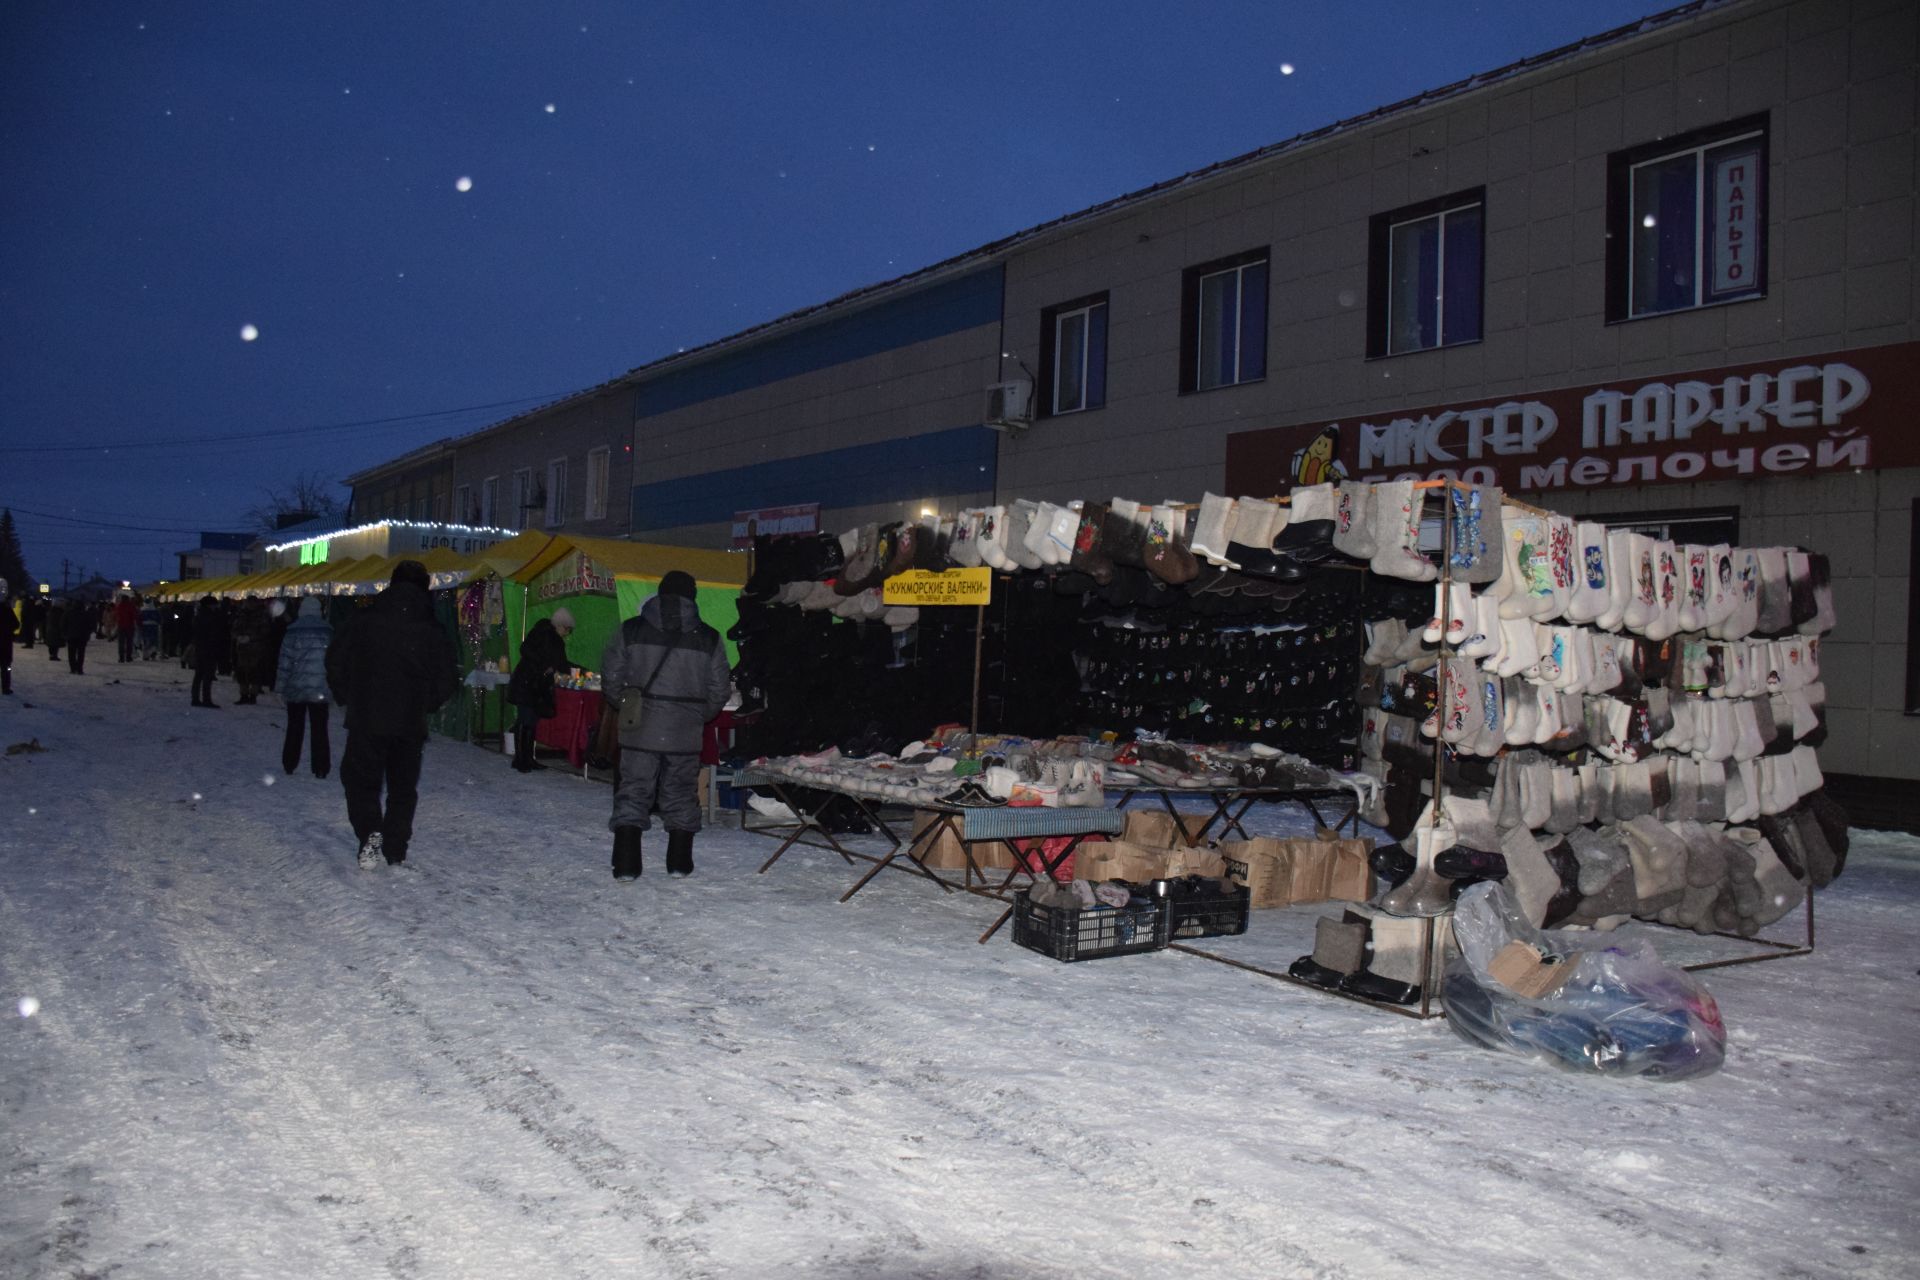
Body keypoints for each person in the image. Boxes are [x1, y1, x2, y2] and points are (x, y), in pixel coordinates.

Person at [326, 560, 458, 871]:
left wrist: (348, 695)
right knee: (402, 786)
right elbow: (447, 679)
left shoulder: (363, 620)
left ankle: (370, 829)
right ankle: (396, 846)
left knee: (360, 780)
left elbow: (335, 661)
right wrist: (425, 703)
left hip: (366, 717)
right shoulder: (431, 628)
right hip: (409, 721)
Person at [599, 570, 730, 881]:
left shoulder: (630, 630)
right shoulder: (709, 638)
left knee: (633, 791)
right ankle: (679, 864)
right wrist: (698, 713)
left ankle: (627, 866)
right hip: (685, 730)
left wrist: (627, 704)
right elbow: (719, 689)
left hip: (639, 727)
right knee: (682, 793)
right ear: (692, 598)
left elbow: (611, 674)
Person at [507, 607, 574, 772]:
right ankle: (521, 759)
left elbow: (559, 663)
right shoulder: (544, 634)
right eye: (568, 629)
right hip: (529, 683)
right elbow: (557, 663)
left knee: (530, 722)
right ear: (562, 626)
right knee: (526, 721)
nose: (567, 633)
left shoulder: (541, 633)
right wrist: (544, 666)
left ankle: (526, 758)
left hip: (531, 684)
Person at [275, 595, 333, 778]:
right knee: (320, 729)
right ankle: (321, 767)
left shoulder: (292, 632)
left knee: (294, 727)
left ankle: (289, 763)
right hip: (320, 688)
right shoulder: (328, 632)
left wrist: (280, 687)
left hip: (296, 687)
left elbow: (285, 663)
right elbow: (334, 662)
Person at [230, 598, 271, 703]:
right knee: (242, 672)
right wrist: (238, 637)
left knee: (254, 672)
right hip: (242, 648)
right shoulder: (241, 614)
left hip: (256, 649)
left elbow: (265, 631)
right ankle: (244, 694)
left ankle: (253, 695)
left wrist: (250, 638)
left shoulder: (261, 615)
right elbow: (234, 628)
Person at [190, 595, 227, 707]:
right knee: (208, 675)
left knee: (198, 675)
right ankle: (206, 699)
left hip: (200, 647)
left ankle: (195, 698)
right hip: (210, 648)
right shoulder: (211, 616)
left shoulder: (198, 615)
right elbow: (216, 631)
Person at [63, 598, 94, 674]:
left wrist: (65, 633)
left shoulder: (68, 613)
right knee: (81, 653)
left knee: (71, 653)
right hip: (82, 637)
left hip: (71, 636)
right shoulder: (85, 614)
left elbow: (63, 624)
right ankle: (80, 669)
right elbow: (90, 625)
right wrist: (88, 633)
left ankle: (73, 668)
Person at [114, 591, 139, 663]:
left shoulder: (119, 606)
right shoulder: (131, 606)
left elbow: (117, 615)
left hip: (121, 626)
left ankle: (121, 657)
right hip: (129, 626)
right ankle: (128, 657)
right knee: (129, 642)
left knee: (121, 643)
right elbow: (134, 615)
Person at [1, 580, 14, 696]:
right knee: (6, 666)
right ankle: (5, 688)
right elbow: (16, 624)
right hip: (5, 642)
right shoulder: (7, 610)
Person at [44, 597, 65, 663]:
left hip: (50, 629)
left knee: (52, 643)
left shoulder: (51, 611)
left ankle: (52, 655)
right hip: (56, 630)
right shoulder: (60, 612)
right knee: (56, 643)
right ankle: (54, 655)